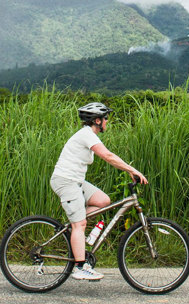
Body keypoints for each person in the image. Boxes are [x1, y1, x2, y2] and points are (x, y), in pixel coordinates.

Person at [50, 102, 148, 281]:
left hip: (76, 181)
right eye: (105, 119)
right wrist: (132, 170)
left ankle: (75, 223)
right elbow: (108, 156)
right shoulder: (87, 135)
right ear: (97, 121)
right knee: (80, 225)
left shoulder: (88, 135)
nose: (107, 122)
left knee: (103, 201)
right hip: (66, 181)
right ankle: (80, 267)